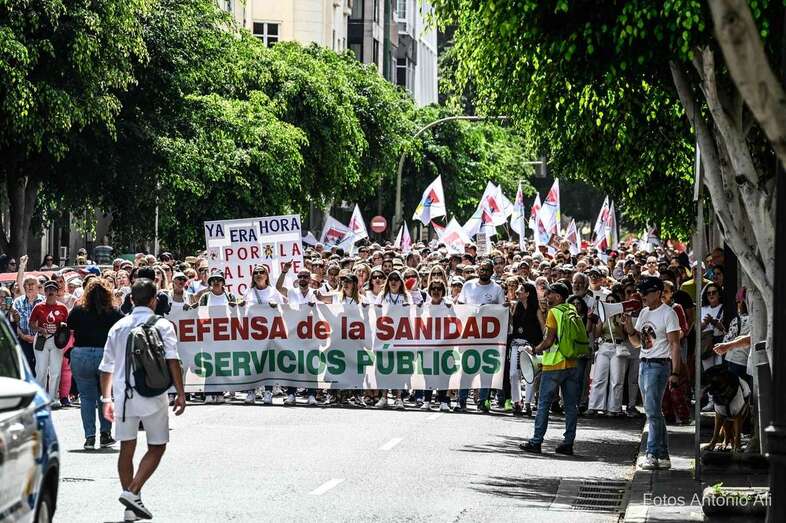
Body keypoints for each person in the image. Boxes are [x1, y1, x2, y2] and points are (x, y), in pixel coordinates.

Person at [99, 278, 186, 521]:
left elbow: (106, 367)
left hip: (122, 395)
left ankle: (130, 506)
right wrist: (180, 392)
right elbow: (173, 360)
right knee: (157, 445)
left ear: (130, 300)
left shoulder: (118, 326)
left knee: (126, 447)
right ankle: (134, 491)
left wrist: (106, 398)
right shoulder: (163, 325)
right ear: (154, 300)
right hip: (153, 393)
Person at [625, 277, 682, 470]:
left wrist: (675, 372)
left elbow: (675, 344)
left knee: (651, 410)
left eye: (646, 292)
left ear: (657, 292)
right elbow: (637, 343)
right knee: (653, 411)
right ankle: (662, 456)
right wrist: (629, 329)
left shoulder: (669, 313)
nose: (643, 296)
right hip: (644, 362)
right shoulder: (644, 312)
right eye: (641, 292)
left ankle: (651, 453)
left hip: (659, 365)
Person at [520, 282, 580, 455]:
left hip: (554, 364)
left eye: (550, 294)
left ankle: (536, 441)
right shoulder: (571, 310)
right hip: (572, 363)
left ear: (559, 297)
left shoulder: (555, 312)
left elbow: (549, 341)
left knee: (543, 404)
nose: (546, 297)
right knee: (570, 405)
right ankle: (568, 443)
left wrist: (535, 349)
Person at [68, 278, 125, 449]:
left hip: (81, 354)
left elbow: (69, 325)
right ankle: (105, 434)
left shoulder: (79, 310)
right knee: (105, 396)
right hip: (105, 355)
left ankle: (89, 437)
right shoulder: (114, 312)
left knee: (86, 398)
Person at [456, 260, 505, 413]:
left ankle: (483, 402)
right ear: (478, 270)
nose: (483, 272)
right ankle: (461, 401)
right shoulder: (468, 285)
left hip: (488, 337)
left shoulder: (497, 289)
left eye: (487, 269)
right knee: (466, 369)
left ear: (492, 272)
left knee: (486, 369)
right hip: (469, 334)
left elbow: (502, 309)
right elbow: (460, 305)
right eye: (481, 269)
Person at [242, 265, 283, 405]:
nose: (258, 274)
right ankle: (251, 391)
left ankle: (268, 391)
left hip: (269, 334)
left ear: (267, 275)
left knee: (268, 363)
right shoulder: (248, 292)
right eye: (256, 273)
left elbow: (284, 310)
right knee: (252, 363)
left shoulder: (273, 292)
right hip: (252, 335)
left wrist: (275, 305)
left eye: (261, 272)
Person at [506, 281, 544, 416]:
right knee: (513, 374)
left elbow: (542, 327)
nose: (517, 292)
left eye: (521, 290)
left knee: (529, 375)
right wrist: (507, 312)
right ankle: (516, 401)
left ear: (527, 294)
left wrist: (539, 346)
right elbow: (511, 324)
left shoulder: (536, 309)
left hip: (530, 345)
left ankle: (528, 403)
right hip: (516, 343)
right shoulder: (516, 306)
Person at [30, 280, 70, 408]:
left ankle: (53, 398)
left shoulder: (62, 308)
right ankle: (40, 398)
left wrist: (63, 328)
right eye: (48, 290)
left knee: (55, 370)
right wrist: (39, 329)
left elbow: (67, 325)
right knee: (41, 370)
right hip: (42, 339)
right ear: (45, 292)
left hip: (56, 341)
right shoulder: (38, 306)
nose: (51, 292)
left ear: (57, 291)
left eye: (53, 289)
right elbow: (31, 324)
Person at [13, 272, 43, 373]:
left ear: (38, 286)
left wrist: (36, 337)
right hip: (23, 340)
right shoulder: (17, 301)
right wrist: (22, 335)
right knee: (25, 369)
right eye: (27, 283)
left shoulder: (44, 301)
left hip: (41, 340)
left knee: (40, 369)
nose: (30, 286)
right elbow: (15, 323)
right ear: (24, 286)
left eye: (32, 283)